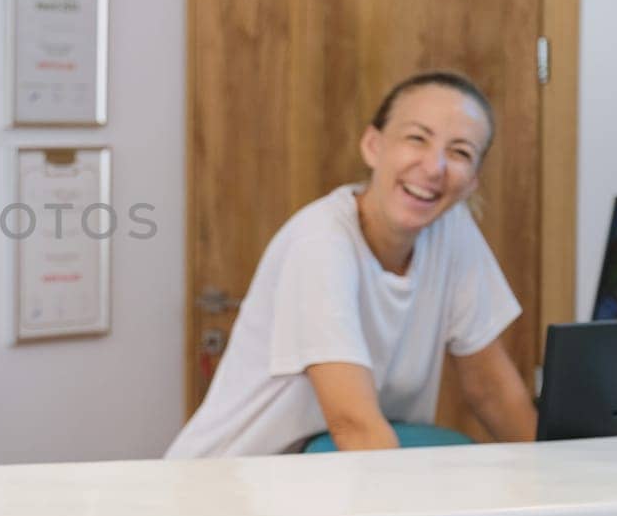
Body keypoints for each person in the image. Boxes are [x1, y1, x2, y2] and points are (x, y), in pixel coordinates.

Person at [166, 71, 537, 459]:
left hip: (320, 479)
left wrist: (555, 483)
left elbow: (491, 390)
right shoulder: (321, 242)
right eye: (417, 138)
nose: (434, 167)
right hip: (228, 488)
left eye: (460, 152)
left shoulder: (451, 230)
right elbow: (354, 427)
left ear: (473, 180)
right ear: (373, 146)